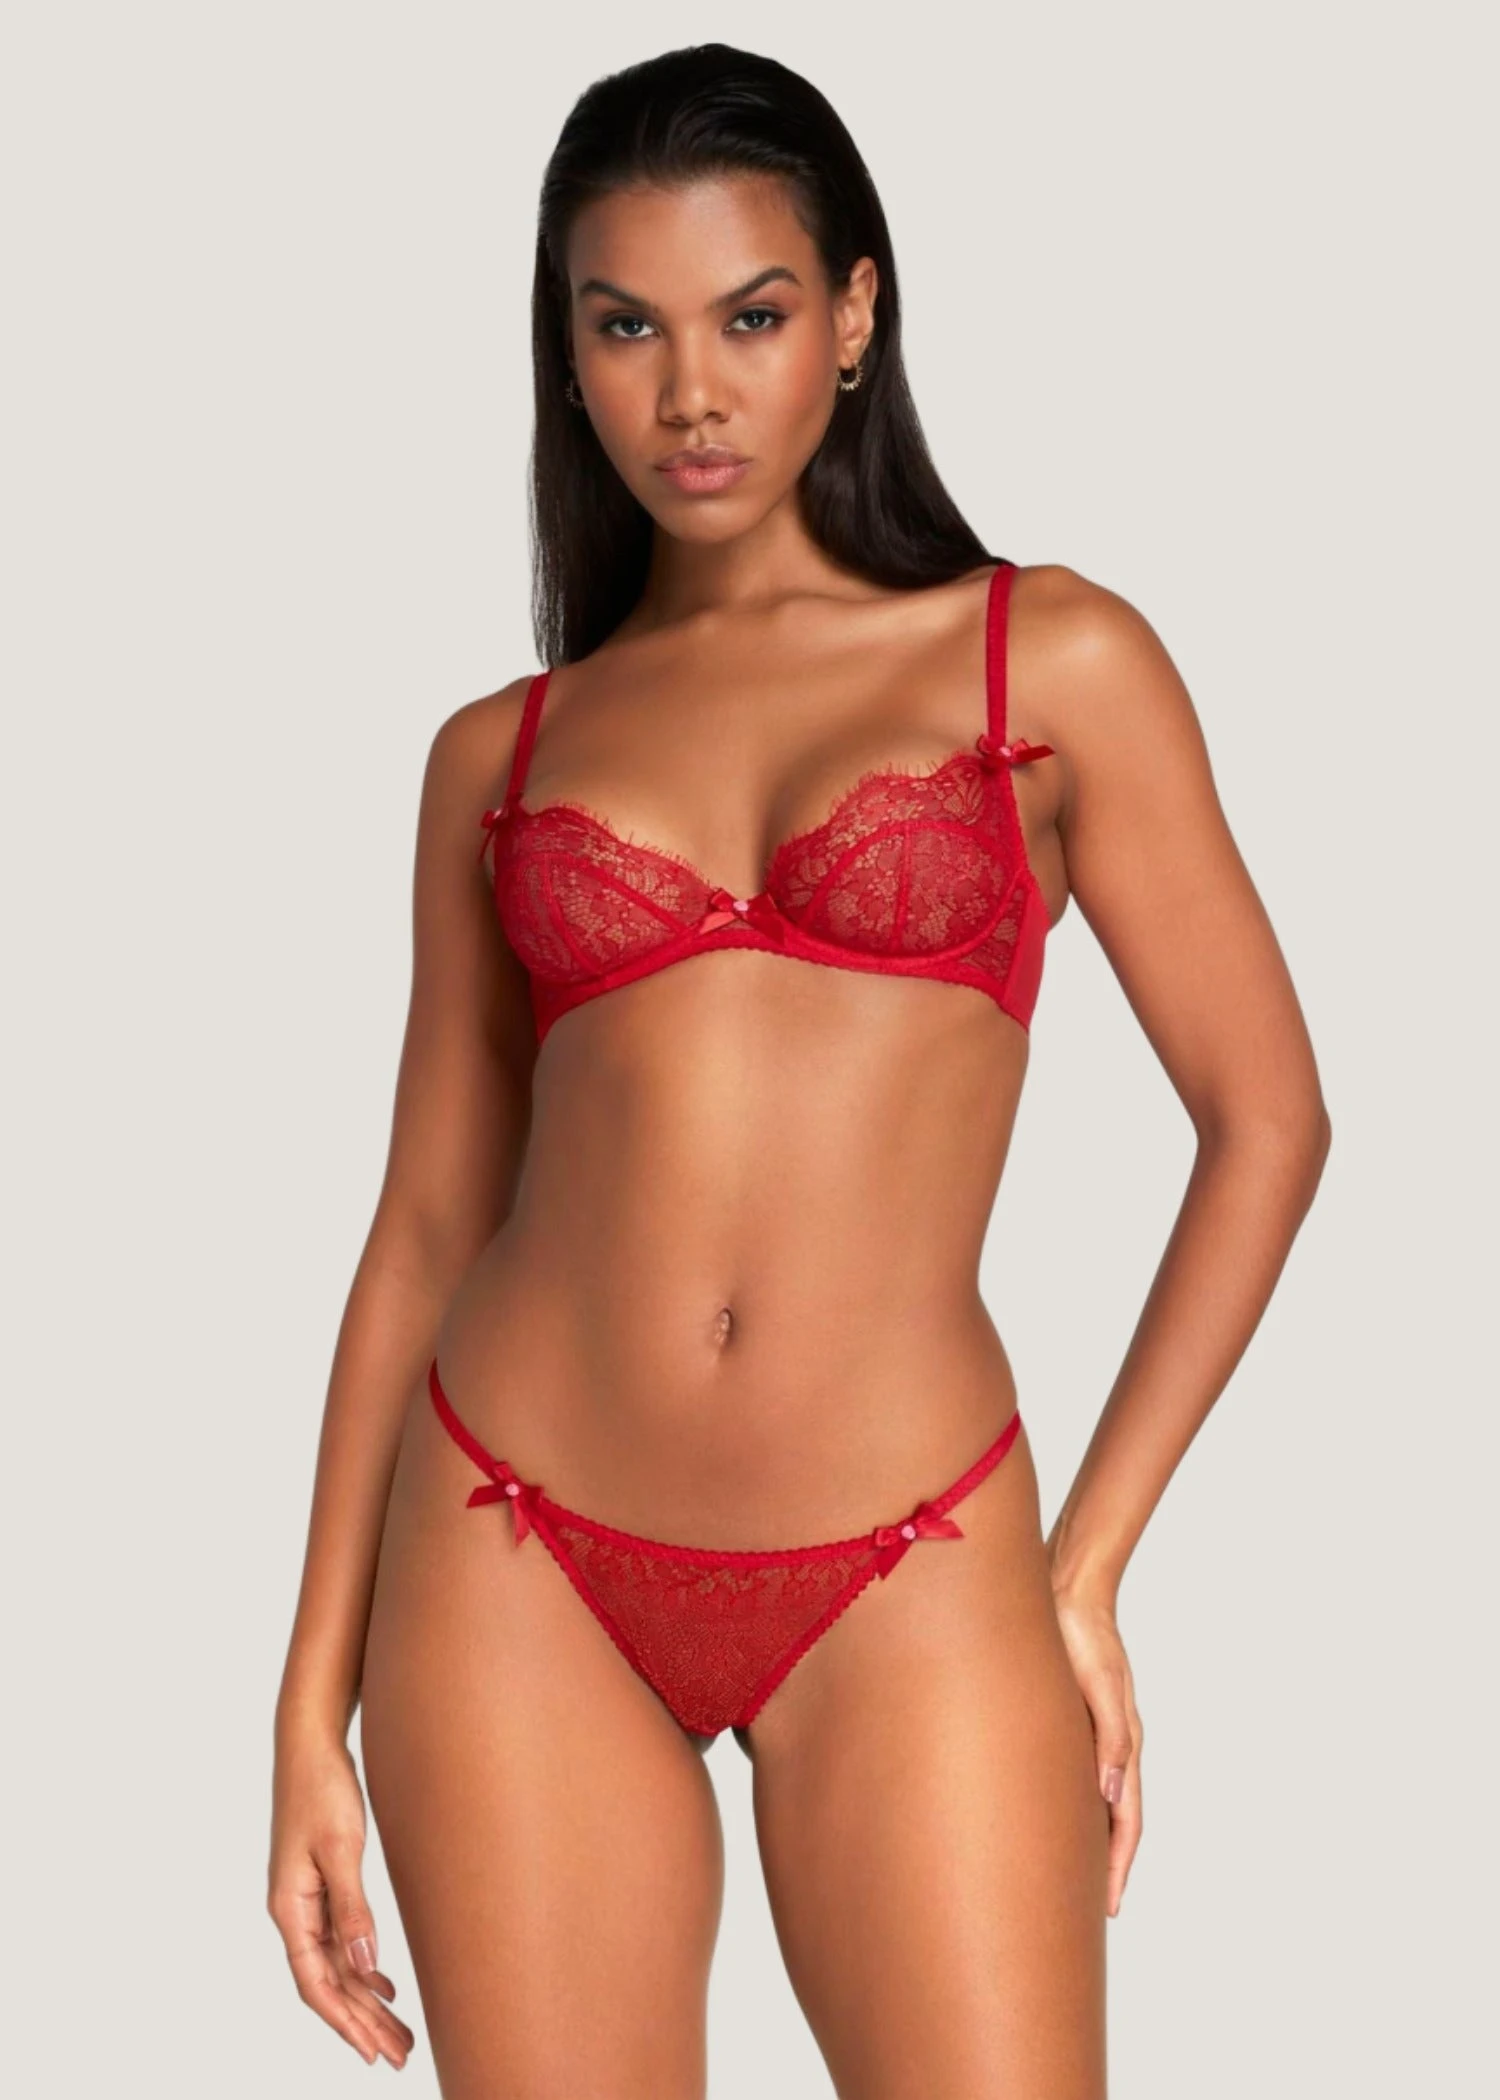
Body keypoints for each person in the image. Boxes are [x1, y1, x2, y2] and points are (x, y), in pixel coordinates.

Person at [267, 41, 1330, 2098]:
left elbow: (1267, 1120)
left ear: (854, 315)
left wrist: (1090, 1564)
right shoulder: (502, 755)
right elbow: (422, 1227)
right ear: (567, 354)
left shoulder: (1050, 659)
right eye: (627, 328)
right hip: (512, 1542)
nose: (690, 392)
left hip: (913, 1554)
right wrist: (310, 1703)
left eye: (749, 318)